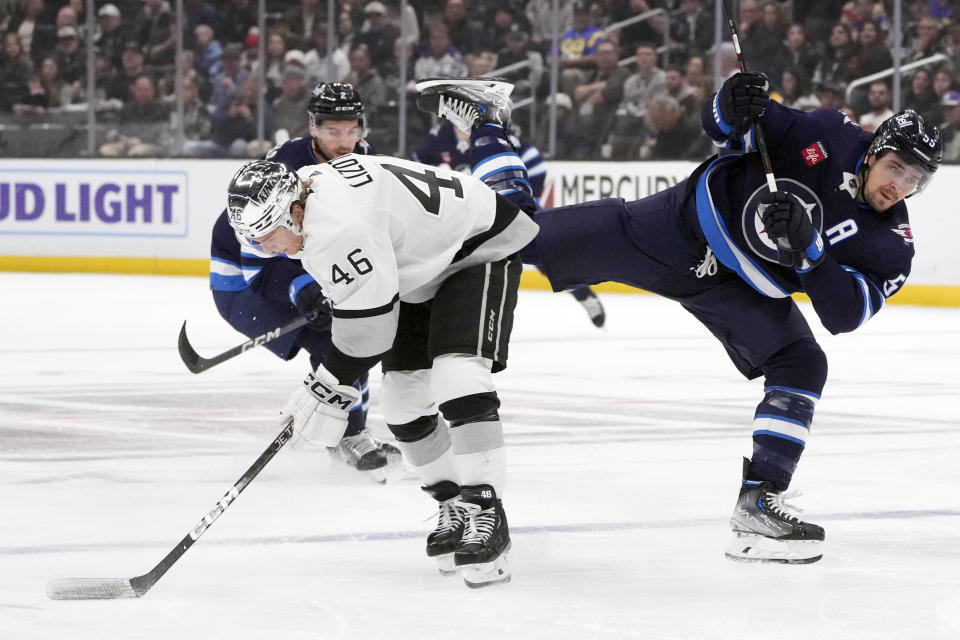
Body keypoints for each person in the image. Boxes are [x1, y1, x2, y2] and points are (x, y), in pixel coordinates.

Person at [423, 74, 942, 565]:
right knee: (523, 236)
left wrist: (811, 253)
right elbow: (726, 126)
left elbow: (845, 314)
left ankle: (759, 502)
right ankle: (488, 121)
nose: (900, 186)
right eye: (897, 168)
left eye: (914, 180)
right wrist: (730, 103)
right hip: (677, 230)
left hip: (741, 290)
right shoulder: (828, 134)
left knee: (802, 362)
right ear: (876, 150)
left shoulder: (892, 245)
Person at [224, 78, 535, 588]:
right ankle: (454, 505)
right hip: (417, 266)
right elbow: (367, 315)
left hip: (477, 245)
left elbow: (370, 333)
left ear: (294, 213)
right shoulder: (306, 193)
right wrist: (328, 383)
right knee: (405, 399)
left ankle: (487, 513)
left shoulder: (333, 228)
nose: (269, 247)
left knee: (457, 376)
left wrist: (325, 388)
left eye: (268, 235)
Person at [209, 82, 396, 480]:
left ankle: (347, 426)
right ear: (313, 127)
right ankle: (351, 434)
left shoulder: (366, 159)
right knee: (333, 339)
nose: (345, 142)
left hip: (303, 262)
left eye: (352, 130)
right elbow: (257, 259)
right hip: (244, 281)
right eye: (333, 131)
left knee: (354, 329)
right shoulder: (283, 165)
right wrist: (304, 289)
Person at [412, 92, 606, 328]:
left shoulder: (497, 134)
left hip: (505, 208)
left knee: (543, 250)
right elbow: (415, 167)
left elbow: (534, 163)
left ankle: (584, 295)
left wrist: (522, 198)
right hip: (463, 214)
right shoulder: (439, 137)